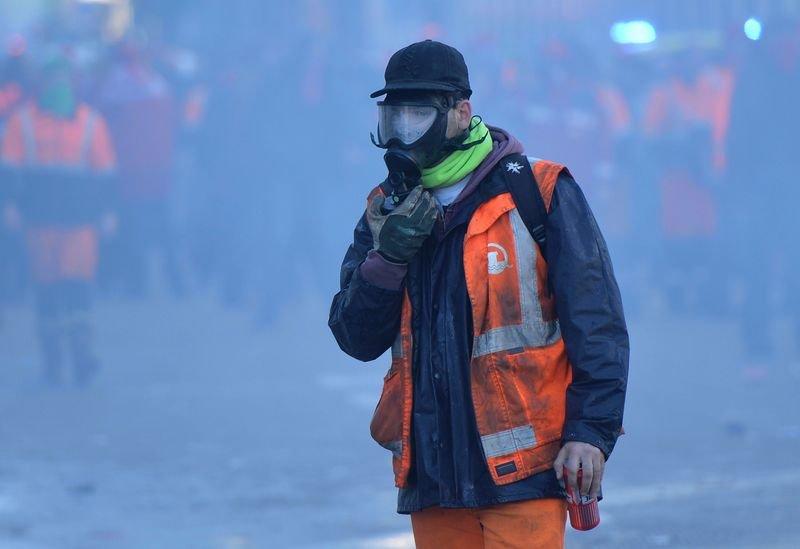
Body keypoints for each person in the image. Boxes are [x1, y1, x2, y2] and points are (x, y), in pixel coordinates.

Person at [329, 40, 629, 548]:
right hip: (433, 475)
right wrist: (389, 259)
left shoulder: (541, 192)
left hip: (525, 473)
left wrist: (591, 433)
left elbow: (597, 322)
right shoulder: (385, 209)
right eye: (392, 118)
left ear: (461, 112)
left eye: (417, 116)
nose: (403, 133)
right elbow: (355, 337)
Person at [1, 53, 117, 386]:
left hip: (80, 222)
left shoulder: (91, 123)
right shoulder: (22, 123)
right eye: (53, 80)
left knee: (78, 289)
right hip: (40, 221)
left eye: (64, 80)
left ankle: (82, 357)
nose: (59, 86)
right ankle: (53, 360)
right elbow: (9, 170)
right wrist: (9, 206)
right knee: (48, 292)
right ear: (42, 84)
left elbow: (105, 173)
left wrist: (108, 212)